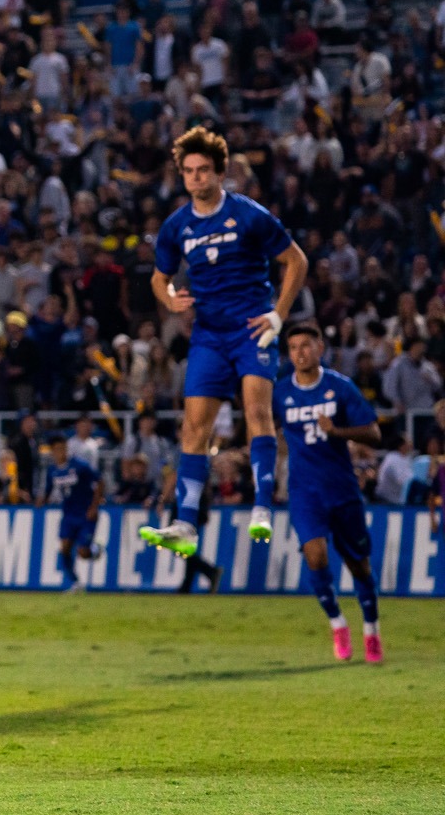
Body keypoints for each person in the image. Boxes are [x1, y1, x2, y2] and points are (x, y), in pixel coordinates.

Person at [140, 127, 307, 558]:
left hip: (252, 328)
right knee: (193, 428)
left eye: (203, 171)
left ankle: (263, 508)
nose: (196, 178)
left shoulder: (248, 214)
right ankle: (185, 524)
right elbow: (158, 280)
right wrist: (170, 299)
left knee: (256, 409)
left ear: (220, 172)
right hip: (209, 335)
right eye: (189, 172)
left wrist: (278, 314)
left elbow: (296, 261)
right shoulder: (176, 226)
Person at [275, 324, 386, 663]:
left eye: (305, 345)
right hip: (304, 490)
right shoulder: (280, 392)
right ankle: (338, 624)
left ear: (319, 347)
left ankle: (371, 630)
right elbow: (267, 430)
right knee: (315, 556)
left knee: (359, 565)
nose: (299, 353)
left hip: (341, 488)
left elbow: (374, 434)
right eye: (293, 347)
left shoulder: (340, 387)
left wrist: (336, 431)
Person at [44, 434, 102, 592]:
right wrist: (41, 501)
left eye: (62, 449)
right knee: (64, 549)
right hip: (68, 515)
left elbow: (99, 482)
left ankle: (95, 550)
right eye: (55, 450)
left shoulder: (80, 466)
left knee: (82, 552)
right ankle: (75, 583)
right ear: (51, 452)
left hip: (85, 514)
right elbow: (48, 490)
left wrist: (94, 507)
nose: (59, 452)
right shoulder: (52, 471)